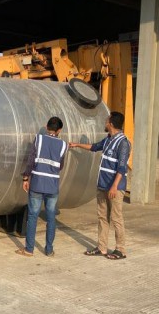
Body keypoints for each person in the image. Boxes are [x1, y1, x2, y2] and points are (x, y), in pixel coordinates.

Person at [69, 111, 131, 260]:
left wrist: (114, 186)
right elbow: (94, 147)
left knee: (116, 218)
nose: (105, 122)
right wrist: (76, 144)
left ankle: (120, 249)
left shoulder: (123, 143)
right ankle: (102, 247)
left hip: (114, 188)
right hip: (103, 185)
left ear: (111, 124)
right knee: (102, 217)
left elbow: (122, 168)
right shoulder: (108, 139)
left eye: (107, 120)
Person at [15, 116, 68, 257]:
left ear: (46, 127)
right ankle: (49, 250)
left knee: (33, 216)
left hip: (37, 183)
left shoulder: (39, 139)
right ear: (59, 130)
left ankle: (29, 249)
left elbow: (31, 161)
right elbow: (60, 166)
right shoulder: (63, 145)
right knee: (51, 218)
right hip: (52, 186)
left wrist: (26, 177)